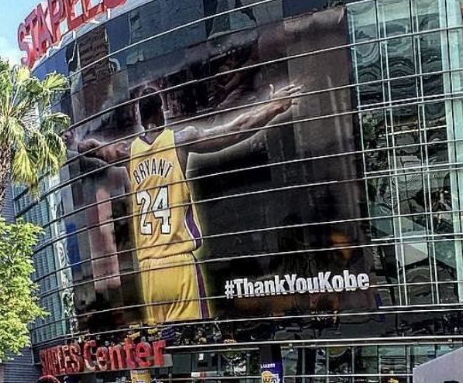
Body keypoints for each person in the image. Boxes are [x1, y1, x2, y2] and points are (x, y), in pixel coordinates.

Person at [78, 82, 302, 325]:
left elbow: (96, 150)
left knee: (164, 350)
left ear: (140, 118)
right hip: (178, 261)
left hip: (149, 271)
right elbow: (237, 129)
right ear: (160, 111)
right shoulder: (179, 140)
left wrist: (75, 144)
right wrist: (273, 107)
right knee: (194, 341)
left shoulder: (129, 151)